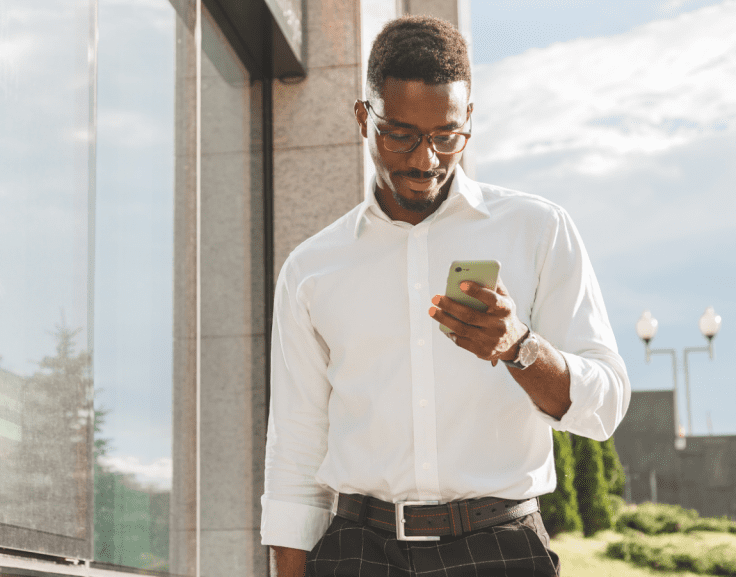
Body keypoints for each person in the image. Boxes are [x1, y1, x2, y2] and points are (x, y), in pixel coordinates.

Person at [261, 15, 630, 577]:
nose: (423, 160)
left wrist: (519, 347)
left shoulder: (538, 231)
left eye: (446, 137)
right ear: (364, 118)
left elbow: (605, 407)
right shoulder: (312, 268)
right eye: (401, 134)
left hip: (501, 549)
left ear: (468, 122)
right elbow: (295, 450)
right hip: (358, 552)